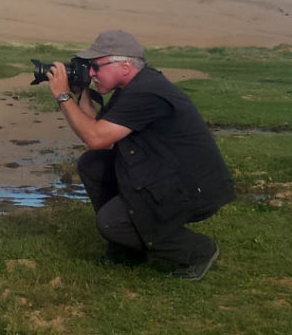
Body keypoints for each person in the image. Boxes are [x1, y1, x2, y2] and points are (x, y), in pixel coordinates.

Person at [47, 30, 234, 280]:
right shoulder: (133, 87)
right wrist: (80, 92)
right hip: (166, 174)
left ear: (125, 65)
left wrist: (62, 95)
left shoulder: (146, 93)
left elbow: (94, 137)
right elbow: (97, 130)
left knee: (111, 222)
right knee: (94, 165)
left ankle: (197, 250)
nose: (91, 73)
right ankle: (126, 249)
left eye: (96, 66)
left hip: (191, 189)